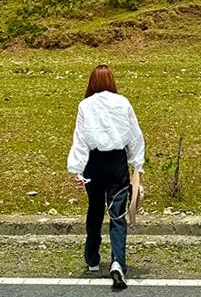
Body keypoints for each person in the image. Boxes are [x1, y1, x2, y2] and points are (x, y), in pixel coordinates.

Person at [67, 64, 145, 289]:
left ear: (92, 81)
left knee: (94, 207)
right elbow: (134, 134)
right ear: (111, 80)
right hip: (117, 162)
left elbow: (80, 139)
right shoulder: (123, 102)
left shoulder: (85, 105)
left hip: (93, 162)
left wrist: (77, 169)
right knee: (117, 212)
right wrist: (137, 164)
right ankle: (118, 262)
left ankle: (92, 258)